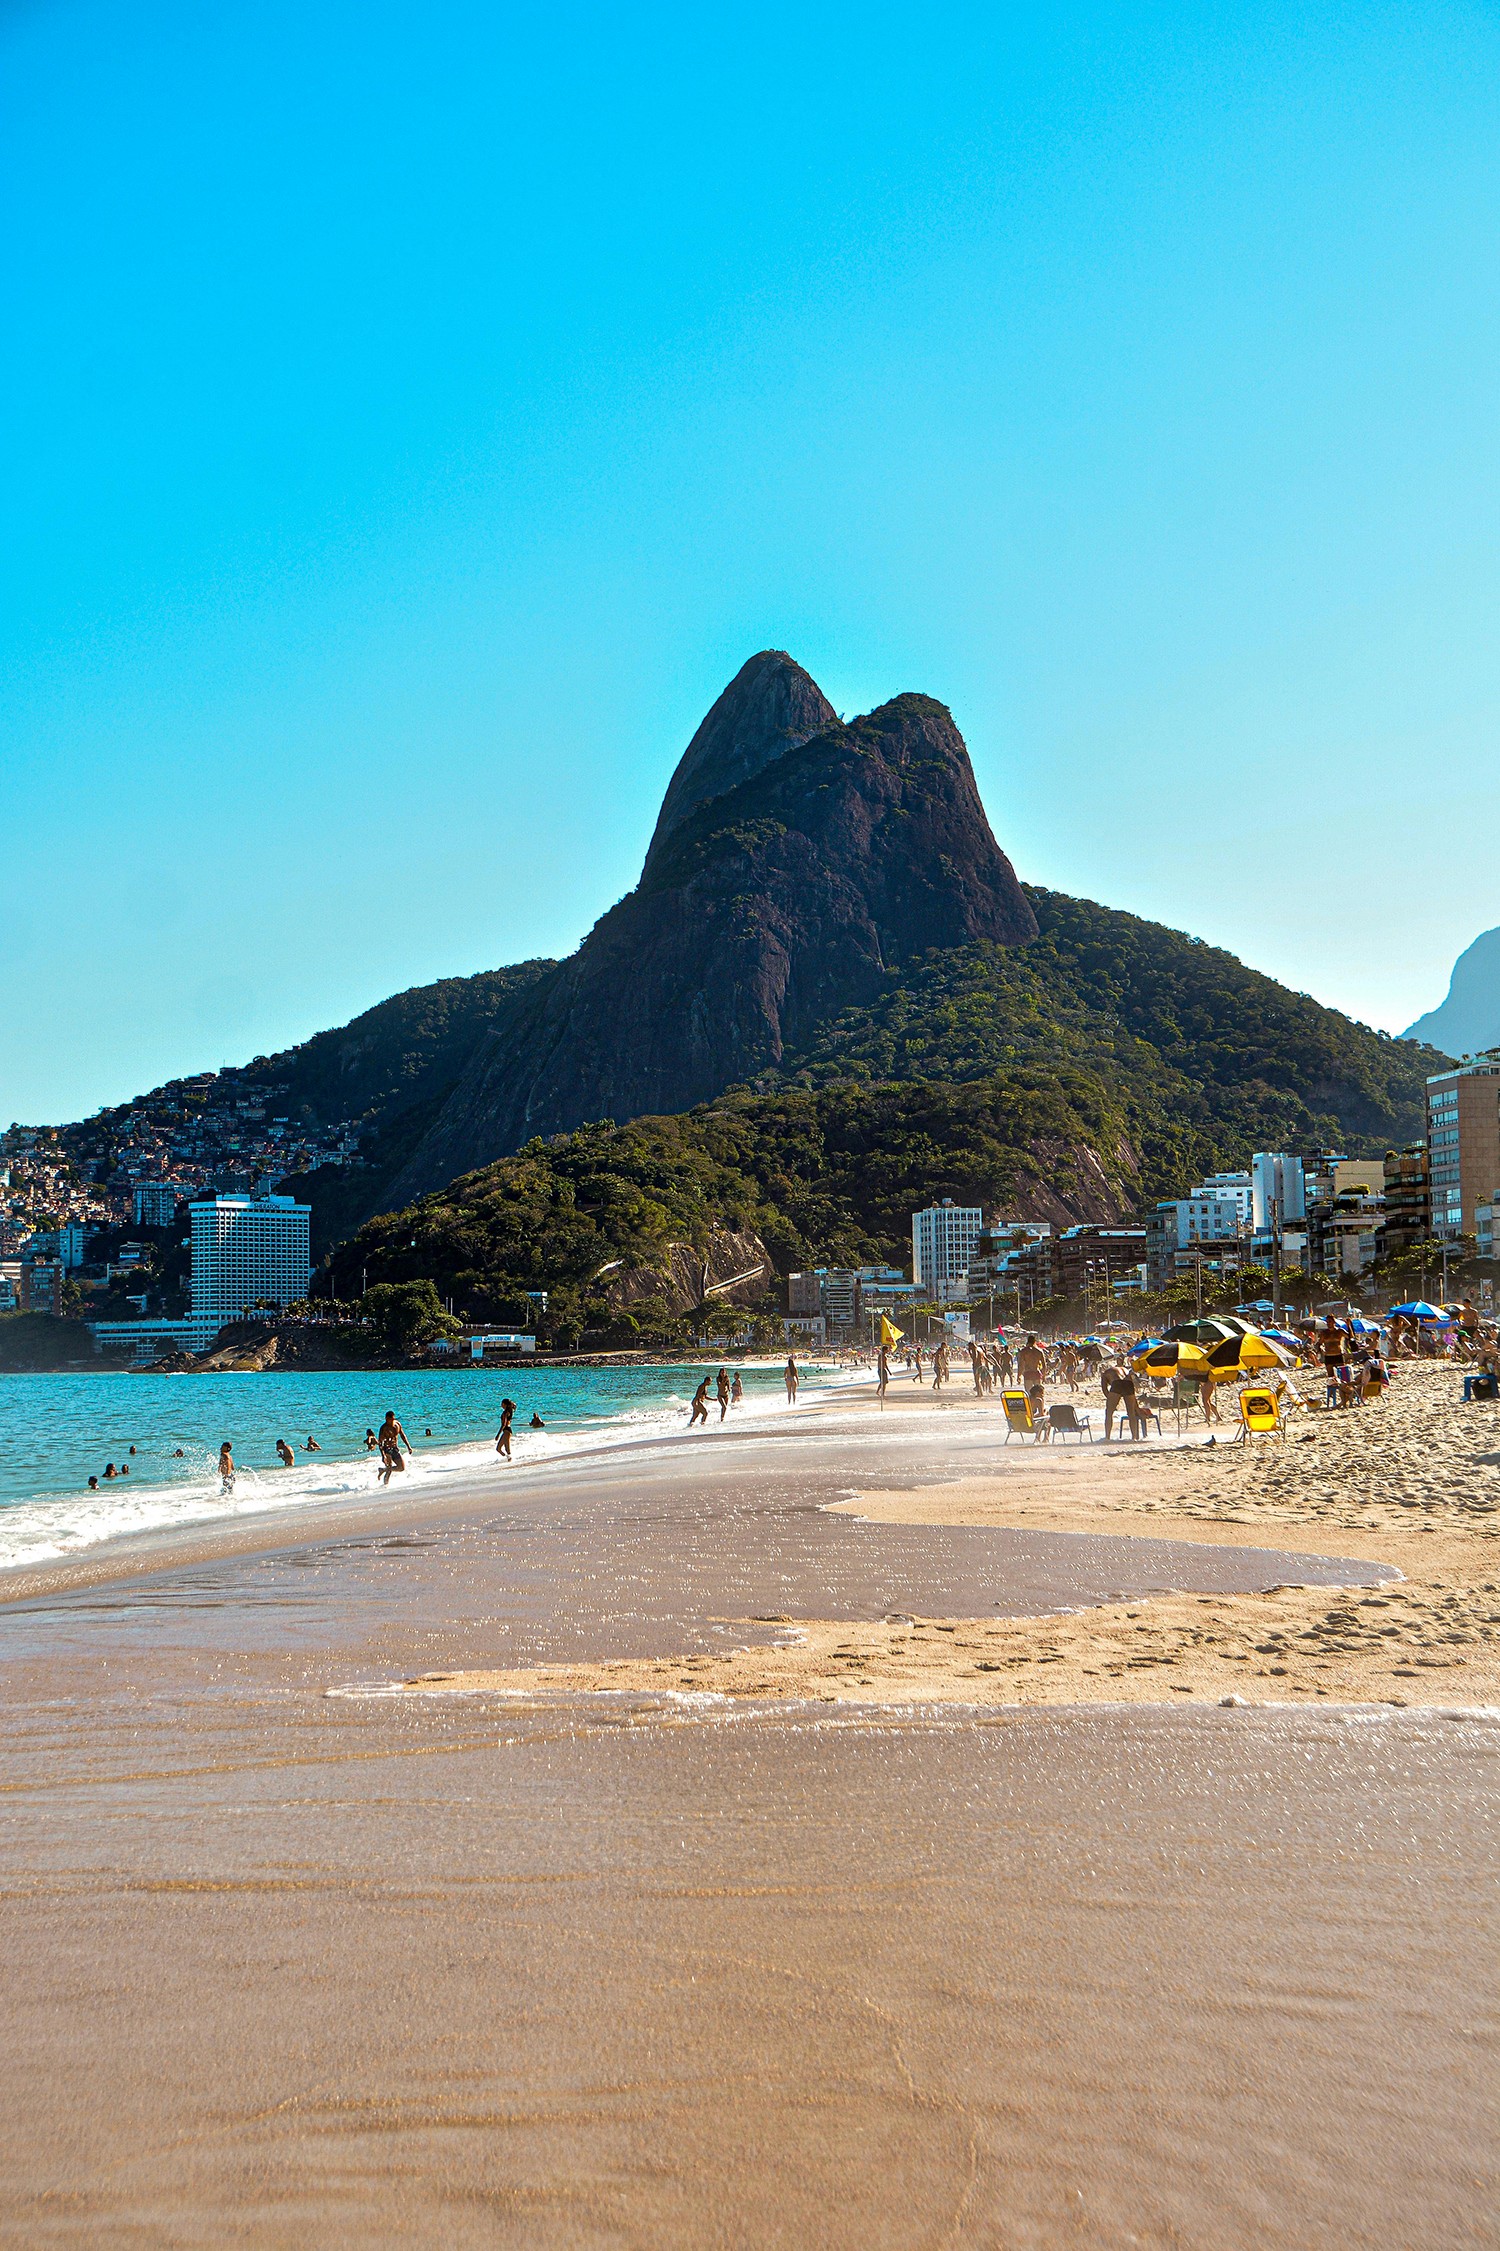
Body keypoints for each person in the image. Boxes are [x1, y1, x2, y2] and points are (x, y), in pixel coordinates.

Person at [1018, 1335, 1046, 1424]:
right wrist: (1044, 1375)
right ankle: (1041, 1410)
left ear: (1028, 1341)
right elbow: (1044, 1365)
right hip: (1037, 1373)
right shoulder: (1039, 1351)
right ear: (1035, 1341)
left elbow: (1021, 1365)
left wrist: (1019, 1375)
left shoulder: (1024, 1351)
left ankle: (1031, 1410)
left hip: (1028, 1373)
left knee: (1029, 1394)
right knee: (1040, 1394)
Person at [377, 1410, 411, 1484]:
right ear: (386, 1419)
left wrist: (408, 1446)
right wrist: (383, 1455)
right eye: (389, 1420)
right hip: (387, 1449)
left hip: (395, 1448)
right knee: (389, 1468)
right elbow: (380, 1443)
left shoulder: (397, 1424)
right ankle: (386, 1485)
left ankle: (382, 1470)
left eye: (392, 1419)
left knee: (401, 1468)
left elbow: (402, 1436)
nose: (391, 1421)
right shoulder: (383, 1428)